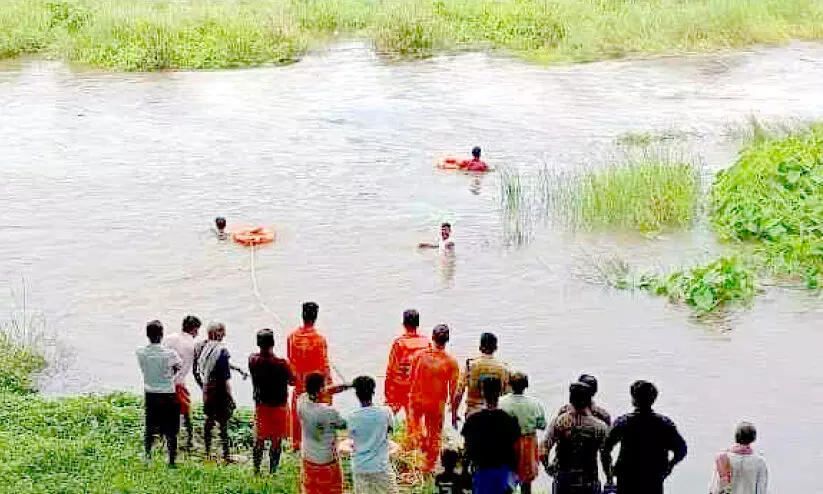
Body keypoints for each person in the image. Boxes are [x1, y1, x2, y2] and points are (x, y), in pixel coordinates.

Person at [602, 380, 688, 494]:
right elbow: (681, 450)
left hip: (627, 480)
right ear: (653, 399)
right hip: (653, 480)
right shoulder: (664, 424)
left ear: (633, 400)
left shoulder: (624, 422)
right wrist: (669, 466)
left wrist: (609, 476)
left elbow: (605, 450)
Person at [407, 324, 460, 473]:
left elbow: (411, 379)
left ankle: (420, 447)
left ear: (432, 338)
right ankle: (428, 467)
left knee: (416, 429)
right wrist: (454, 411)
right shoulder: (451, 362)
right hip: (436, 405)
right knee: (435, 435)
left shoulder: (419, 355)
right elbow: (454, 390)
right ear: (447, 340)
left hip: (417, 401)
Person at [542, 382, 608, 494]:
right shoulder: (600, 426)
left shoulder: (559, 422)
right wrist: (609, 478)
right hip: (589, 478)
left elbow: (543, 449)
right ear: (589, 401)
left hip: (563, 478)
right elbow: (605, 456)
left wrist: (547, 466)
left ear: (570, 399)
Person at [193, 322, 244, 462]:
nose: (225, 335)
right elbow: (225, 379)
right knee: (223, 423)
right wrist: (231, 398)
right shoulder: (222, 351)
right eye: (223, 332)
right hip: (220, 391)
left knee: (209, 419)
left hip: (207, 388)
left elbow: (197, 370)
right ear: (217, 333)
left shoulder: (201, 346)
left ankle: (207, 451)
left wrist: (203, 387)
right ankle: (226, 455)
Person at [461, 376, 521, 494]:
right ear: (500, 392)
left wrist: (465, 472)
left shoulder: (473, 420)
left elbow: (467, 450)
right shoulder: (510, 420)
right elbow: (516, 449)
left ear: (483, 392)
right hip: (503, 472)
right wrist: (514, 473)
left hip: (481, 471)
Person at [287, 301, 333, 451]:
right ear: (316, 316)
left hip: (300, 383)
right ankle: (316, 443)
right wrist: (329, 386)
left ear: (302, 315)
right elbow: (324, 366)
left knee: (298, 413)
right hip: (315, 385)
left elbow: (290, 361)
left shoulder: (292, 337)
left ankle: (296, 444)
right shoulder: (319, 340)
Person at [136, 320, 182, 466]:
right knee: (171, 429)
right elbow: (178, 367)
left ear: (147, 335)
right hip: (168, 393)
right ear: (162, 335)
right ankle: (172, 460)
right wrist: (169, 376)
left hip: (150, 393)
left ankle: (148, 457)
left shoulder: (141, 352)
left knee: (150, 427)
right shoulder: (170, 353)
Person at [248, 328, 294, 474]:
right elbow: (293, 381)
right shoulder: (281, 363)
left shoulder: (253, 360)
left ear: (258, 343)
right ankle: (272, 471)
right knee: (276, 440)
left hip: (261, 406)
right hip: (279, 406)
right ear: (273, 343)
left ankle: (256, 470)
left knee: (259, 439)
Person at [298, 372, 352, 494]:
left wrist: (345, 386)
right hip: (327, 462)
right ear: (320, 389)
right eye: (325, 386)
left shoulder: (301, 401)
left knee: (310, 490)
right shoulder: (329, 412)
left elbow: (323, 391)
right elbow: (346, 425)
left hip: (308, 458)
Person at [348, 375, 398, 494]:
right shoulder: (385, 412)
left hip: (359, 467)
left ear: (357, 395)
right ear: (373, 392)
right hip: (381, 467)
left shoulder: (352, 417)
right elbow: (390, 430)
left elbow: (353, 438)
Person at [500, 372, 546, 494]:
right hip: (527, 444)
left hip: (507, 442)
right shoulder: (535, 404)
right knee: (526, 481)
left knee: (507, 479)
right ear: (526, 386)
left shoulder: (501, 402)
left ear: (510, 384)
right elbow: (542, 425)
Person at [163, 315, 201, 450]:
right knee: (185, 411)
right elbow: (195, 371)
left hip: (163, 382)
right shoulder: (192, 345)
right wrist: (203, 387)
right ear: (195, 330)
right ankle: (189, 440)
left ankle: (164, 438)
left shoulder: (169, 338)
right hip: (178, 383)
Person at [384, 309, 430, 417]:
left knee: (389, 415)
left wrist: (387, 394)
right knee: (414, 419)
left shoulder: (399, 343)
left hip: (400, 387)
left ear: (404, 324)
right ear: (418, 324)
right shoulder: (426, 342)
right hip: (419, 388)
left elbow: (391, 370)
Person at [454, 332, 510, 419]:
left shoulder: (470, 365)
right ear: (495, 348)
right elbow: (507, 396)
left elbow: (459, 391)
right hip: (494, 415)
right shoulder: (503, 368)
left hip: (473, 413)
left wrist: (454, 413)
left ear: (480, 347)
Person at [709, 422, 768, 494]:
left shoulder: (722, 459)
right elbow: (761, 490)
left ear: (736, 437)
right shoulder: (759, 462)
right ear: (753, 438)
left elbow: (714, 488)